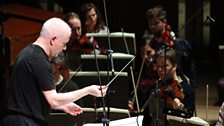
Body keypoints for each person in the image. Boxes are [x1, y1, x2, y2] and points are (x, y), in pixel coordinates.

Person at [0, 17, 107, 126]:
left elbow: (30, 97)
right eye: (64, 43)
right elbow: (53, 100)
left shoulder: (27, 53)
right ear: (53, 40)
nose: (64, 48)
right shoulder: (39, 60)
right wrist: (88, 90)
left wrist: (64, 106)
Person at [142, 49, 195, 126]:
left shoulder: (187, 91)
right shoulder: (153, 89)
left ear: (174, 66)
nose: (160, 70)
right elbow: (147, 118)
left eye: (164, 66)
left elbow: (187, 121)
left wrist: (178, 109)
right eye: (158, 66)